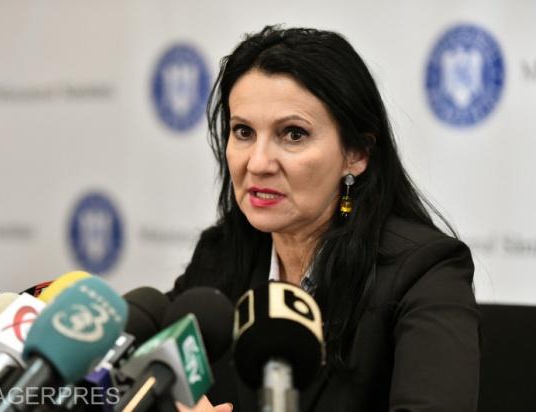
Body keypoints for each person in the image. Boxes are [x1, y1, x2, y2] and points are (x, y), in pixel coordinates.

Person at [170, 25, 479, 412]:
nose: (258, 163)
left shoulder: (424, 272)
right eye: (243, 131)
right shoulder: (220, 256)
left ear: (357, 154)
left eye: (293, 134)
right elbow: (149, 374)